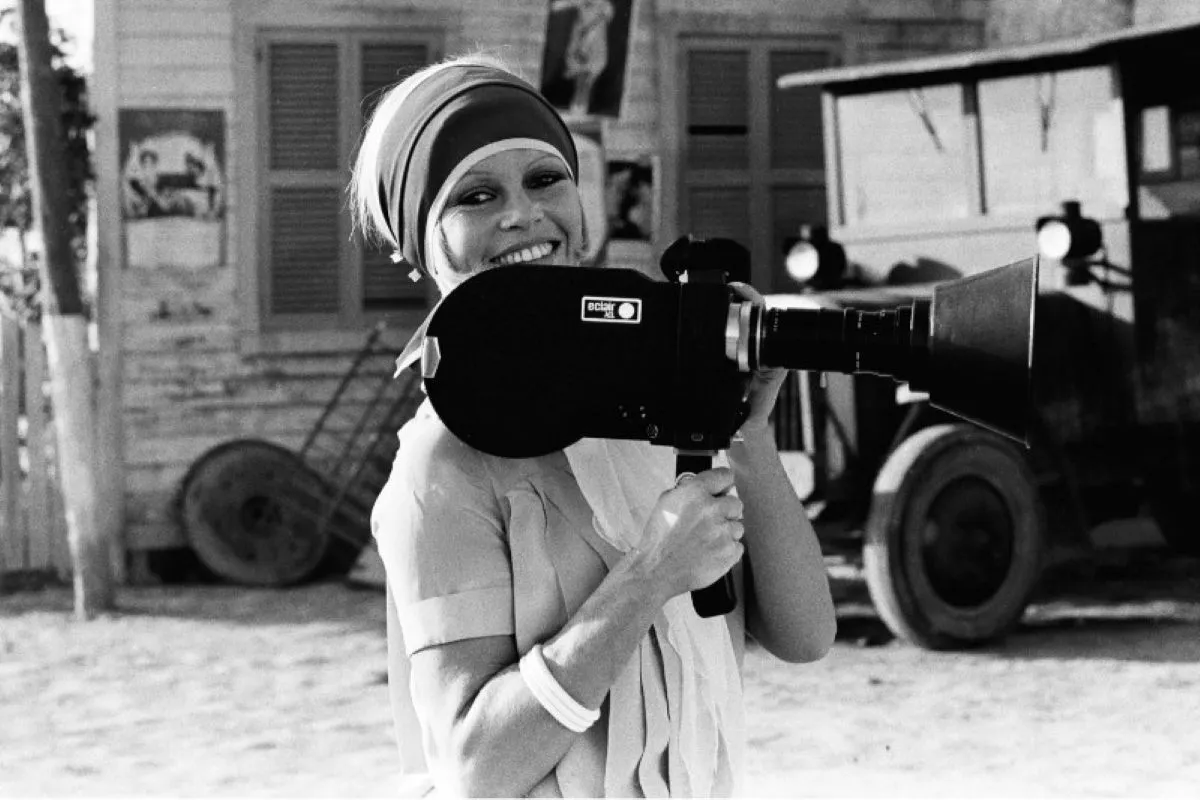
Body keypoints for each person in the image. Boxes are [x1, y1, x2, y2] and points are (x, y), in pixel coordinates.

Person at [351, 53, 836, 798]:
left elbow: (806, 636)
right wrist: (651, 574)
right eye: (476, 195)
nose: (522, 214)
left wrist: (747, 434)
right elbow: (474, 768)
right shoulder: (441, 464)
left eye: (546, 179)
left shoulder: (652, 405)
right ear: (422, 243)